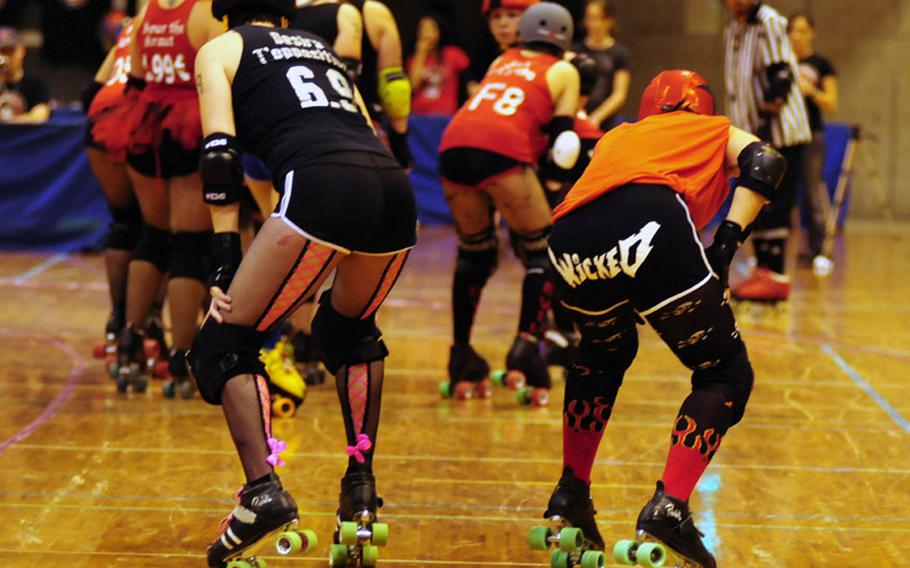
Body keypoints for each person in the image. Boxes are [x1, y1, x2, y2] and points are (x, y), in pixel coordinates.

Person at [190, 0, 416, 564]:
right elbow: (370, 123)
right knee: (349, 331)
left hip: (320, 185)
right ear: (287, 15)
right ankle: (359, 488)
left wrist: (224, 259)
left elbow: (220, 159)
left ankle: (262, 494)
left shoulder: (221, 48)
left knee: (222, 344)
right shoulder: (324, 52)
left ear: (225, 12)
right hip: (392, 189)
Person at [534, 70, 786, 568]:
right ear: (701, 105)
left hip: (566, 236)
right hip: (647, 218)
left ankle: (571, 493)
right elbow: (765, 161)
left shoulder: (621, 134)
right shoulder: (707, 128)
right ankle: (669, 507)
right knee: (724, 372)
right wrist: (724, 247)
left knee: (604, 352)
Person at [438, 2, 580, 404]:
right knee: (544, 249)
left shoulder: (503, 59)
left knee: (475, 252)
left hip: (452, 146)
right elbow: (564, 140)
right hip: (500, 150)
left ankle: (461, 352)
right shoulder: (564, 69)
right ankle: (526, 346)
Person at [113, 0, 224, 396]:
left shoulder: (147, 11)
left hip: (146, 120)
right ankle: (180, 358)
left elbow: (136, 79)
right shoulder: (206, 11)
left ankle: (129, 341)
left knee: (152, 236)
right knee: (188, 247)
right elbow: (218, 76)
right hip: (191, 120)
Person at [723, 0, 811, 302]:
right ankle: (762, 270)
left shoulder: (768, 21)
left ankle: (775, 275)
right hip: (753, 131)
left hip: (778, 132)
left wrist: (763, 125)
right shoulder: (736, 25)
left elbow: (782, 76)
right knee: (756, 205)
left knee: (773, 204)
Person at [83, 19, 154, 367]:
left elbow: (90, 93)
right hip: (145, 111)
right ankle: (146, 327)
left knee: (124, 222)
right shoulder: (199, 16)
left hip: (104, 108)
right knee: (166, 232)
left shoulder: (134, 25)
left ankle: (118, 322)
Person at [789, 12, 838, 276]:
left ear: (812, 33)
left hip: (811, 135)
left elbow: (831, 103)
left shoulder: (821, 64)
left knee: (813, 192)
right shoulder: (781, 62)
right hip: (785, 135)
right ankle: (781, 250)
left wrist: (812, 91)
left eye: (802, 30)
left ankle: (821, 250)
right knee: (782, 195)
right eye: (793, 30)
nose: (797, 36)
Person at [572, 0, 630, 130]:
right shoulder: (575, 50)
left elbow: (619, 94)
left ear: (609, 21)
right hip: (576, 119)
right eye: (589, 18)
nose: (593, 24)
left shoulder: (619, 53)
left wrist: (596, 118)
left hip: (605, 123)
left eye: (598, 18)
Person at [407, 12, 470, 116]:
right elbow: (413, 85)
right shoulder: (413, 59)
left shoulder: (454, 54)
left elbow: (469, 83)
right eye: (422, 29)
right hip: (418, 116)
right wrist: (421, 53)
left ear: (439, 32)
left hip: (444, 116)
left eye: (430, 29)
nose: (425, 33)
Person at [0, 26, 49, 123]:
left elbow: (40, 116)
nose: (6, 57)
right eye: (2, 51)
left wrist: (10, 120)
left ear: (22, 51)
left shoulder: (36, 85)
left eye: (10, 51)